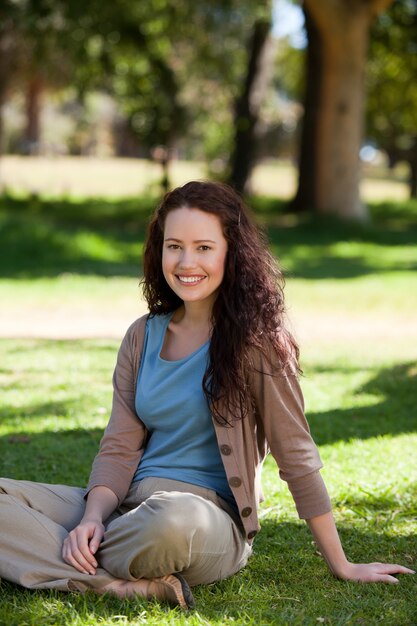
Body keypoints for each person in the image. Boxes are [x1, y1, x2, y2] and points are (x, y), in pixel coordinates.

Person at [0, 181, 414, 610]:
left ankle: (56, 555)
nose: (185, 262)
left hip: (201, 522)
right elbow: (120, 447)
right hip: (128, 510)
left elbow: (297, 455)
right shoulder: (141, 336)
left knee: (168, 520)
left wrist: (342, 564)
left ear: (231, 252)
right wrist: (92, 517)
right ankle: (117, 582)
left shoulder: (257, 343)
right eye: (174, 246)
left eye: (203, 247)